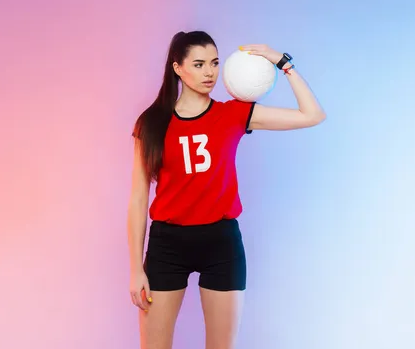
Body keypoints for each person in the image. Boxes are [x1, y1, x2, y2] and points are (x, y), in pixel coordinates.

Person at [127, 30, 325, 349]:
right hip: (168, 246)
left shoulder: (233, 113)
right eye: (200, 64)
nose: (210, 73)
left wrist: (283, 64)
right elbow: (138, 199)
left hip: (221, 244)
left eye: (215, 63)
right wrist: (136, 269)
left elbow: (312, 115)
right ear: (178, 67)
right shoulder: (151, 123)